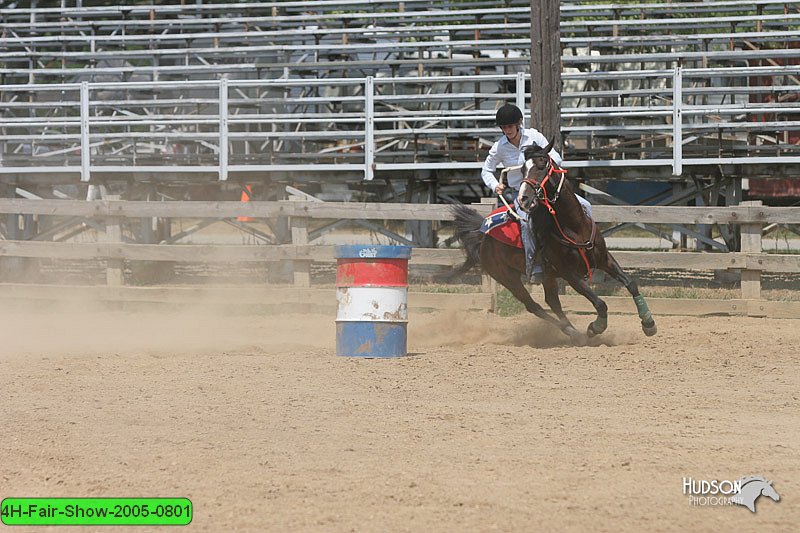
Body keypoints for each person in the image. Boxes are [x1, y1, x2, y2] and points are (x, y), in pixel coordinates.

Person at [481, 103, 591, 283]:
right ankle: (534, 266)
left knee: (586, 206)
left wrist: (539, 162)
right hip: (524, 193)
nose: (507, 130)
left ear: (518, 124)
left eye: (510, 126)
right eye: (504, 127)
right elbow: (486, 170)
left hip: (545, 189)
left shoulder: (533, 136)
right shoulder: (499, 147)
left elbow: (556, 157)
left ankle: (588, 252)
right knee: (525, 223)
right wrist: (495, 185)